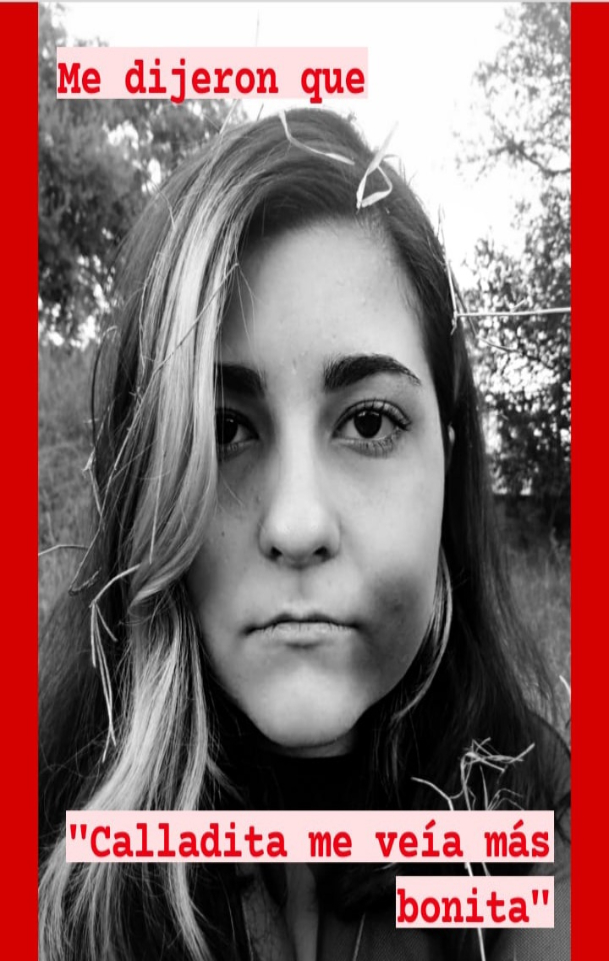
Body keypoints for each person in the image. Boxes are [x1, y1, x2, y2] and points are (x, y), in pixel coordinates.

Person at [39, 108, 570, 961]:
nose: (295, 525)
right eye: (223, 428)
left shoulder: (547, 847)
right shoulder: (47, 866)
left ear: (447, 459)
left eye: (367, 421)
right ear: (145, 477)